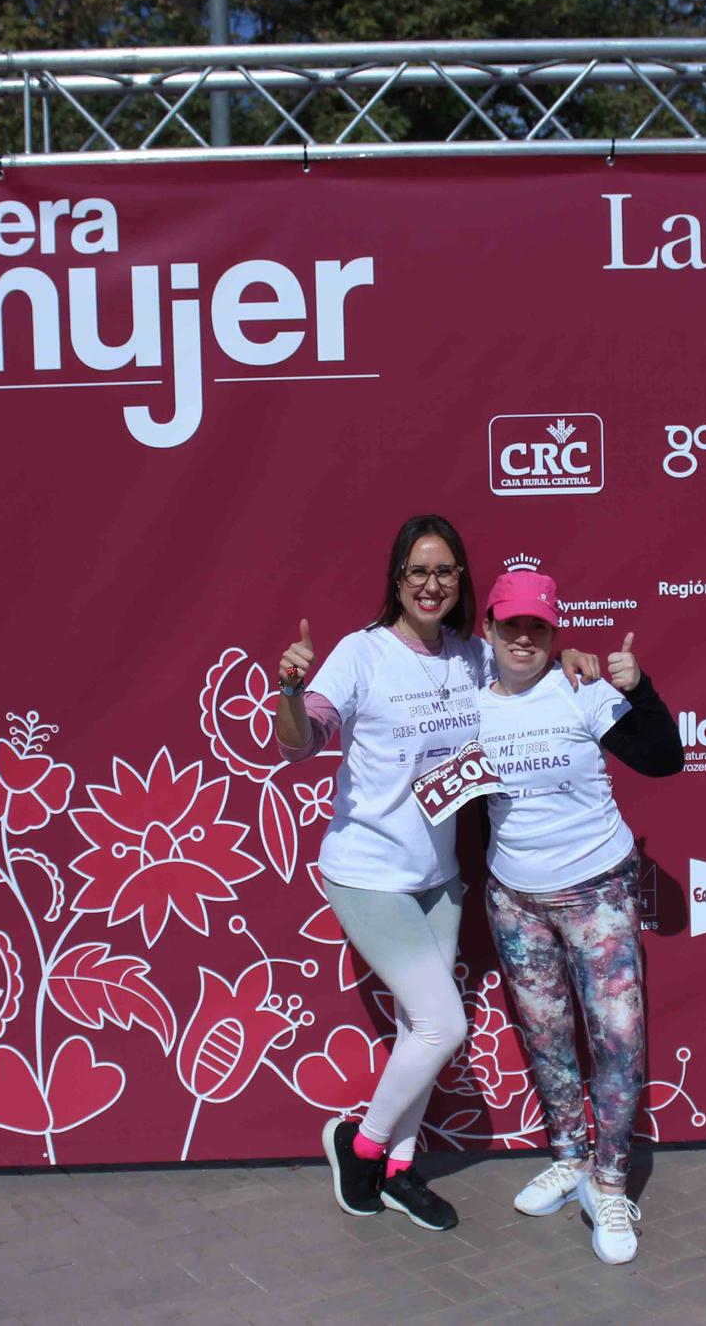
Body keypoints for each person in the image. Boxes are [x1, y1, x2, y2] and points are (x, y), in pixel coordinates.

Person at [275, 516, 597, 1232]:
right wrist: (290, 692)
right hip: (369, 871)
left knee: (419, 1023)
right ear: (396, 579)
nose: (432, 583)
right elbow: (303, 741)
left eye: (445, 571)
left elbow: (527, 666)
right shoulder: (361, 654)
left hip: (440, 877)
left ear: (461, 583)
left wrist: (568, 653)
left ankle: (398, 1168)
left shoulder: (471, 656)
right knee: (442, 1023)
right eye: (418, 570)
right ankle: (357, 1145)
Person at [474, 569, 681, 1265]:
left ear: (554, 631)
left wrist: (638, 687)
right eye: (511, 625)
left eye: (537, 626)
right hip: (515, 898)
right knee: (547, 1034)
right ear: (490, 630)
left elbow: (662, 759)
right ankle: (568, 1155)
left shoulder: (581, 688)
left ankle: (611, 1180)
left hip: (597, 892)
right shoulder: (469, 701)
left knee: (618, 1041)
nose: (523, 638)